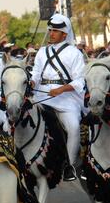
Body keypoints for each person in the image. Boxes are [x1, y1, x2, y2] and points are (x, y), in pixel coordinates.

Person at [30, 14, 86, 182]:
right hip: (42, 94)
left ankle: (68, 165)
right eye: (50, 30)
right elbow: (36, 73)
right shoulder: (42, 51)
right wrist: (31, 83)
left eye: (55, 31)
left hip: (67, 98)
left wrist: (61, 89)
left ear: (64, 34)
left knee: (74, 127)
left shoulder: (74, 52)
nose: (51, 34)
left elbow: (80, 79)